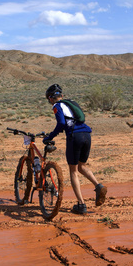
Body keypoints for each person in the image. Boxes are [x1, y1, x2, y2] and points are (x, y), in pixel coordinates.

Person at [43, 84, 107, 214]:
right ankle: (98, 186)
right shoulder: (70, 103)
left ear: (50, 98)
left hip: (75, 136)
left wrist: (50, 136)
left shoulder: (57, 106)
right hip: (86, 135)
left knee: (73, 170)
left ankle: (81, 204)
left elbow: (61, 123)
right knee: (81, 166)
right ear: (62, 95)